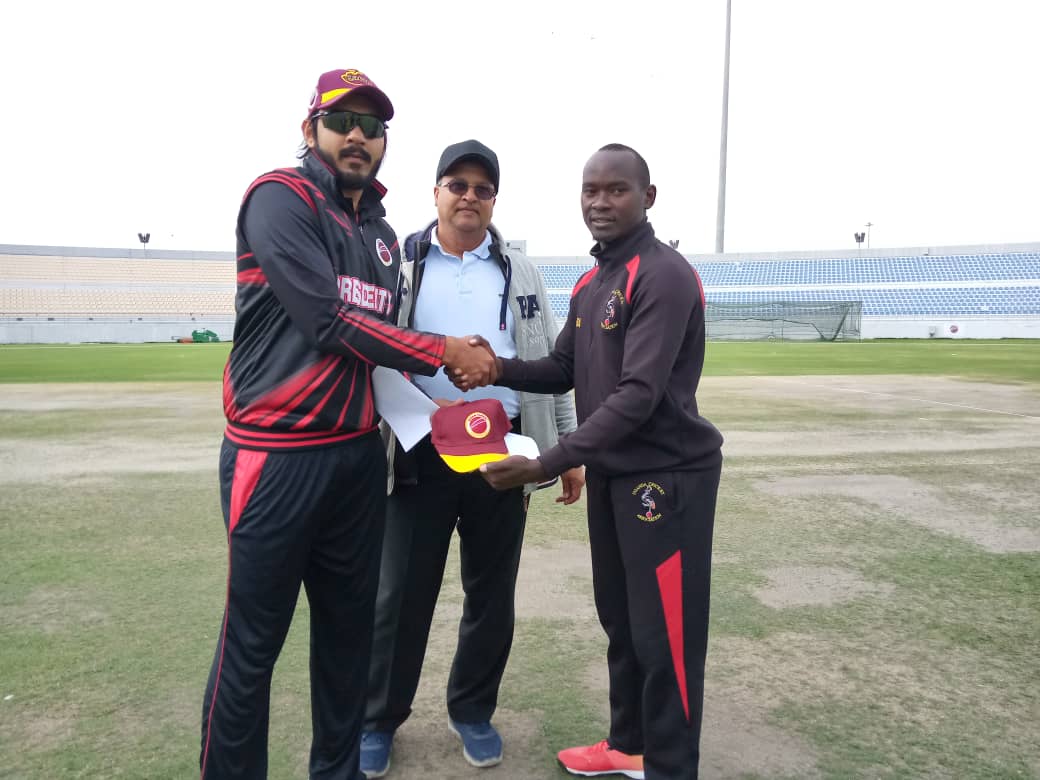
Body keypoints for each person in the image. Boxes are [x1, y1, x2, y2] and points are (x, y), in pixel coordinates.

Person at [198, 70, 496, 780]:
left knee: (347, 644)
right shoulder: (280, 197)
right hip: (276, 457)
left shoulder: (383, 236)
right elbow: (327, 321)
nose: (357, 135)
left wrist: (439, 416)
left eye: (372, 125)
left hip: (359, 460)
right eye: (342, 120)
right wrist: (443, 351)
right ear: (311, 130)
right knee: (251, 649)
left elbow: (375, 354)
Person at [460, 144, 724, 780]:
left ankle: (670, 767)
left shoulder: (662, 275)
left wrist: (546, 462)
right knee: (622, 620)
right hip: (613, 474)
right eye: (590, 190)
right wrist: (496, 369)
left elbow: (639, 394)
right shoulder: (591, 282)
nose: (600, 202)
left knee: (665, 633)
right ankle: (628, 746)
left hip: (665, 479)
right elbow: (562, 367)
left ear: (647, 197)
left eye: (616, 190)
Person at [360, 140, 585, 778]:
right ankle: (378, 720)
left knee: (491, 593)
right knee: (400, 595)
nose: (469, 197)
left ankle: (473, 711)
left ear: (493, 201)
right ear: (435, 192)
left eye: (482, 189)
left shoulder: (520, 270)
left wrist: (565, 448)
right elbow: (374, 350)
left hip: (504, 452)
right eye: (456, 185)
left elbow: (549, 360)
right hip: (418, 450)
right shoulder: (401, 263)